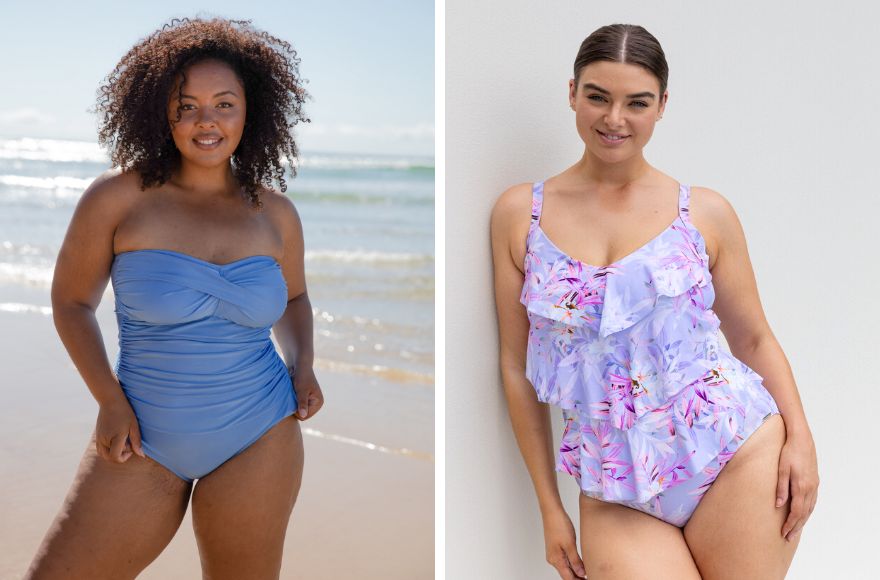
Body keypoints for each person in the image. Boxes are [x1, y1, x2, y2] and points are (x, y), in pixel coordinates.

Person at [490, 23, 818, 579]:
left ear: (662, 106)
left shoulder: (705, 213)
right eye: (597, 97)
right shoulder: (520, 214)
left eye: (636, 103)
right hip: (612, 488)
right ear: (572, 93)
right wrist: (549, 507)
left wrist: (802, 440)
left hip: (736, 454)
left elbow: (754, 337)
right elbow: (515, 367)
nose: (614, 119)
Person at [25, 16, 323, 579]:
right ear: (161, 112)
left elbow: (295, 299)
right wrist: (109, 402)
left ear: (250, 111)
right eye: (187, 106)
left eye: (224, 104)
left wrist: (303, 366)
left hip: (259, 429)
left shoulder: (275, 211)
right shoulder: (117, 198)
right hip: (142, 433)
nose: (205, 121)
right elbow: (71, 304)